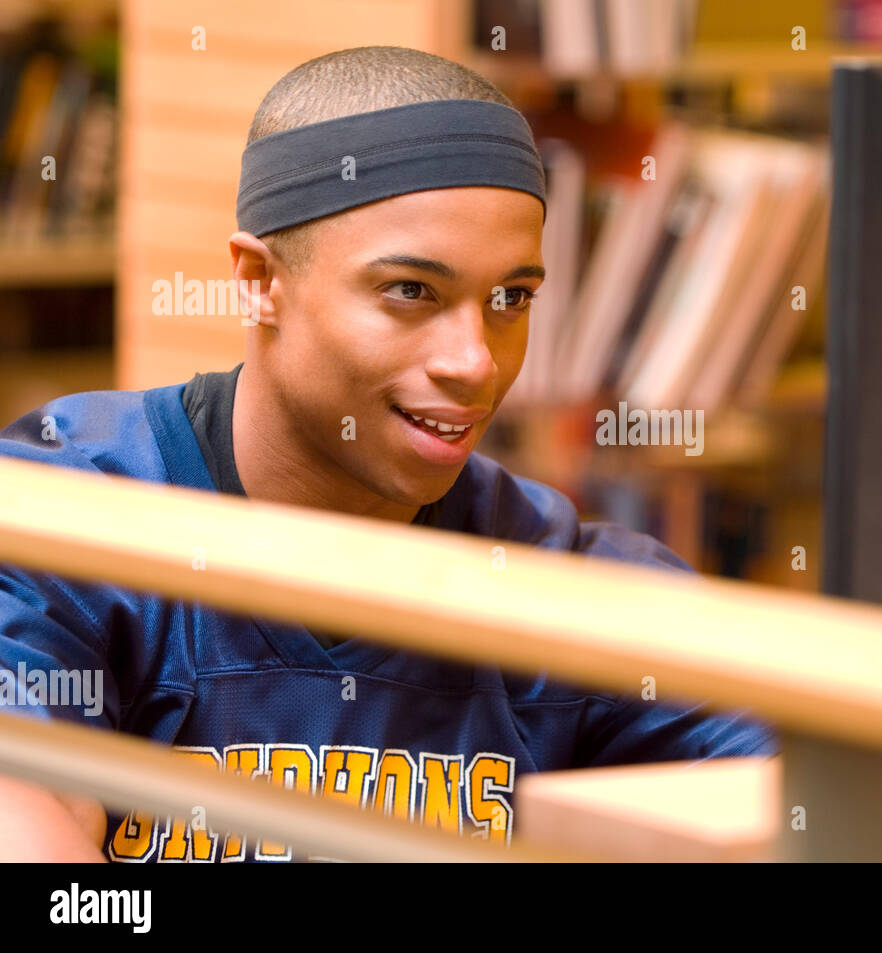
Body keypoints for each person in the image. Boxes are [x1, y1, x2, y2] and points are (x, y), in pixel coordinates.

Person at [0, 46, 775, 862]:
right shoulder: (68, 518)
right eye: (412, 291)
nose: (474, 360)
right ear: (260, 280)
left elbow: (816, 798)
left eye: (510, 299)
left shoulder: (556, 582)